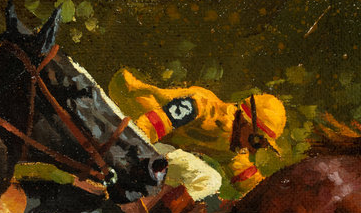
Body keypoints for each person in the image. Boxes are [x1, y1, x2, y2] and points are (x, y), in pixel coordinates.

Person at [108, 68, 286, 198]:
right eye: (257, 142)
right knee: (209, 179)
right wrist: (124, 159)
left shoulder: (232, 145)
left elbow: (249, 182)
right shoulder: (201, 105)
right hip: (130, 131)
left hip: (152, 149)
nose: (254, 150)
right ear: (244, 121)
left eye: (261, 146)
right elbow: (149, 126)